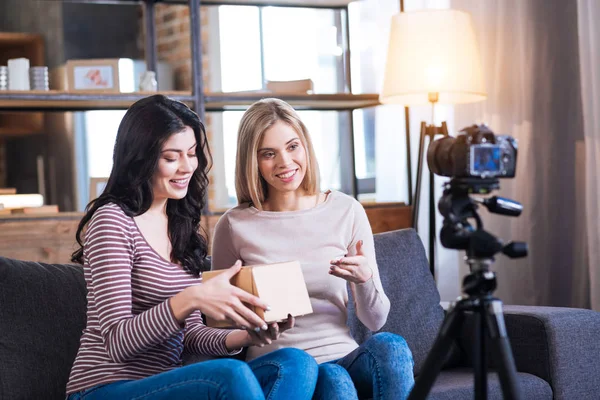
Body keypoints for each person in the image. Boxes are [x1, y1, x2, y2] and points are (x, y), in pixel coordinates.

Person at [66, 94, 318, 400]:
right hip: (103, 388)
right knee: (228, 374)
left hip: (170, 384)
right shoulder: (113, 221)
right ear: (140, 158)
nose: (186, 167)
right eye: (171, 157)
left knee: (296, 362)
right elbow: (118, 342)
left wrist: (247, 335)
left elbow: (191, 336)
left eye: (192, 153)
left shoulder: (178, 220)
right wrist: (191, 298)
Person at [211, 98, 415, 400]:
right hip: (284, 367)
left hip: (344, 356)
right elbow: (218, 330)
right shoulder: (234, 225)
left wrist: (365, 279)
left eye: (293, 147)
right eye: (269, 153)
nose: (285, 162)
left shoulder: (346, 210)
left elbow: (375, 321)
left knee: (391, 346)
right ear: (252, 161)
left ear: (305, 146)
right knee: (334, 381)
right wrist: (250, 328)